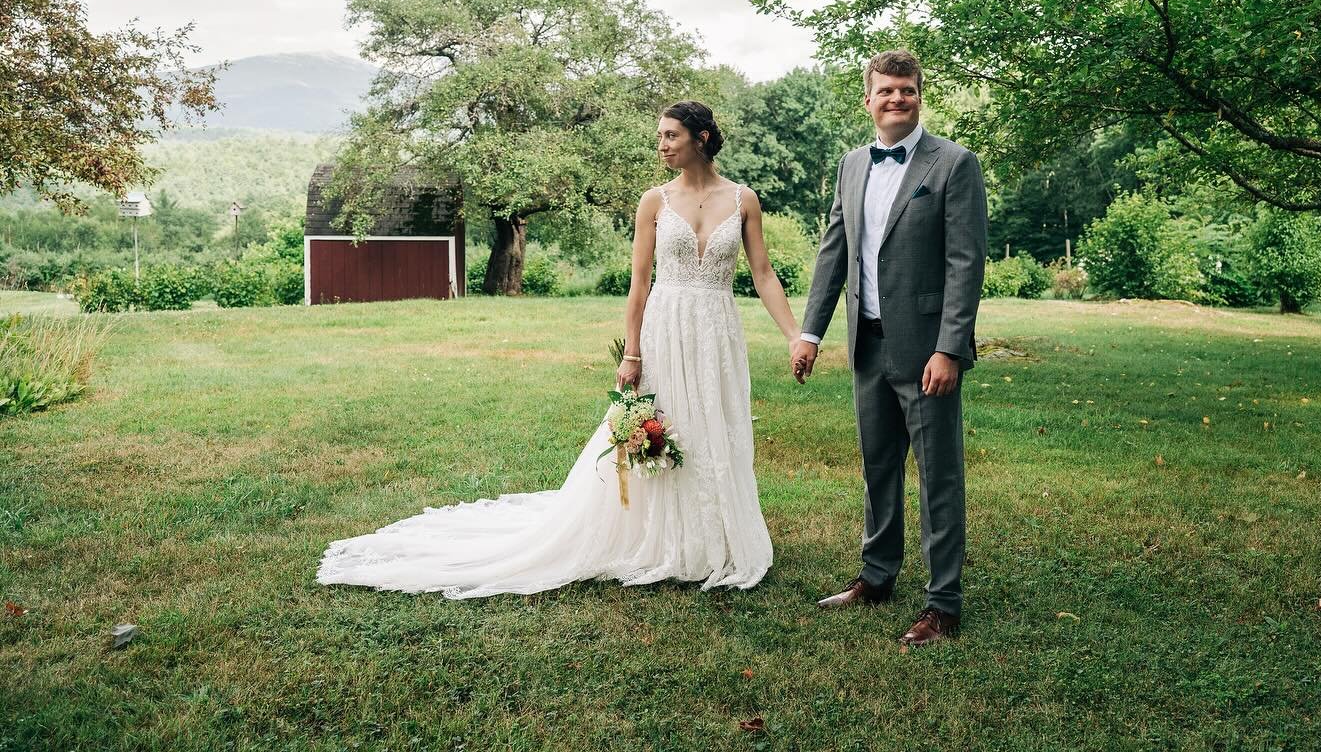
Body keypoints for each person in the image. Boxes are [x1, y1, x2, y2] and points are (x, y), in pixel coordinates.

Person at [318, 100, 800, 597]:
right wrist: (631, 352)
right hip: (666, 326)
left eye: (670, 136)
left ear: (701, 138)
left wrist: (793, 336)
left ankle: (713, 537)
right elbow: (639, 284)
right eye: (659, 136)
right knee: (666, 421)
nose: (661, 145)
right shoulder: (654, 201)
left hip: (717, 329)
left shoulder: (743, 199)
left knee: (714, 425)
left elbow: (763, 275)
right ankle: (656, 537)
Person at [792, 49, 987, 647]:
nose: (897, 99)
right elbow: (834, 253)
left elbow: (965, 261)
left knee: (938, 477)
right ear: (869, 99)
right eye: (886, 91)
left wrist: (950, 348)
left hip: (927, 350)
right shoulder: (852, 165)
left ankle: (943, 603)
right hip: (867, 346)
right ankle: (877, 577)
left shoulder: (954, 164)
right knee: (878, 468)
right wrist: (810, 332)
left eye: (907, 89)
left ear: (919, 94)